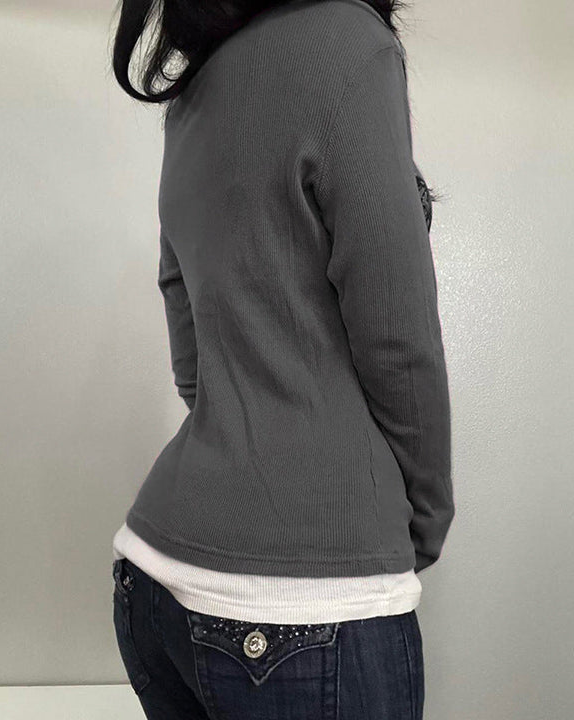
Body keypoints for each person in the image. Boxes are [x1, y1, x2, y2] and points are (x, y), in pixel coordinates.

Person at [108, 1, 454, 717]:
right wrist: (423, 516)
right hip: (296, 615)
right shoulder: (351, 44)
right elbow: (397, 335)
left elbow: (189, 346)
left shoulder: (191, 93)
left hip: (150, 579)